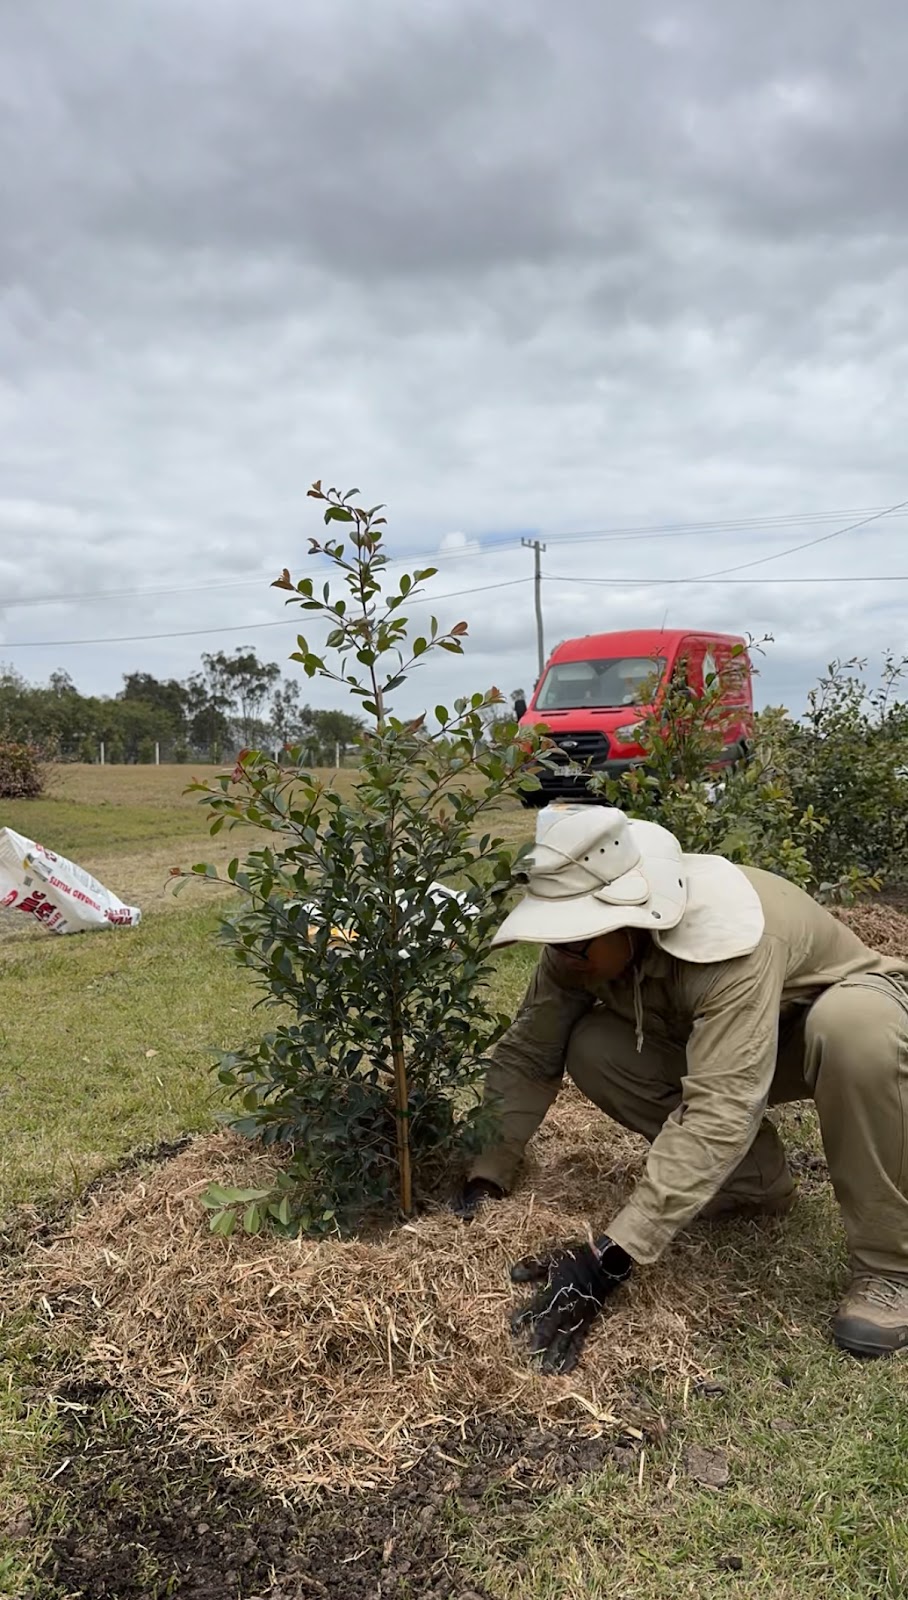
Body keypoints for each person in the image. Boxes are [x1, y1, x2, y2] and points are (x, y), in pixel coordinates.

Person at [454, 805, 908, 1373]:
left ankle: (891, 1270)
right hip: (720, 1040)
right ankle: (753, 1184)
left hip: (828, 1020)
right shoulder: (578, 951)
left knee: (854, 1031)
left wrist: (610, 1257)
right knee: (592, 1044)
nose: (563, 955)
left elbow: (721, 1107)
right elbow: (529, 1051)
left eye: (575, 941)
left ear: (630, 918)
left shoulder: (732, 937)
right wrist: (486, 1174)